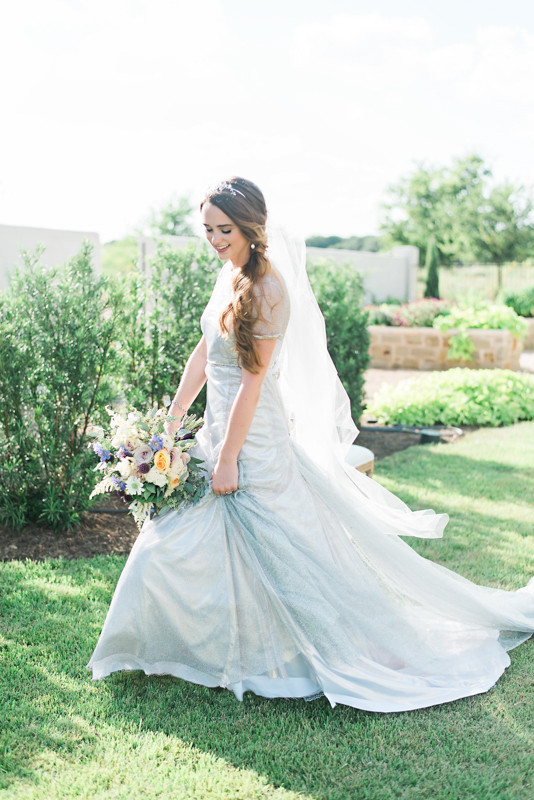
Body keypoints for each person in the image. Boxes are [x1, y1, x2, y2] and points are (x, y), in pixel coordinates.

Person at [88, 177, 534, 712]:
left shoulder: (269, 288)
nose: (213, 239)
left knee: (282, 545)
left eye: (223, 229)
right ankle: (178, 646)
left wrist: (229, 456)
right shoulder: (227, 274)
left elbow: (253, 380)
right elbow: (205, 352)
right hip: (216, 429)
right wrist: (173, 417)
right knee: (175, 537)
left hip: (254, 437)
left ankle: (309, 650)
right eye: (206, 229)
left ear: (251, 227)